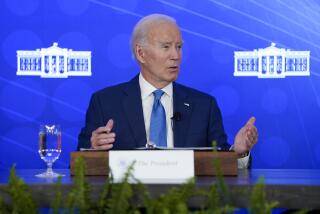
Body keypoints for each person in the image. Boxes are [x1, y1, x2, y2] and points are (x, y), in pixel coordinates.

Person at [78, 14, 258, 168]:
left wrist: (238, 152)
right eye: (166, 47)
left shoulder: (204, 106)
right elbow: (79, 164)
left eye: (179, 47)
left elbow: (220, 163)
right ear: (141, 53)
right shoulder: (105, 102)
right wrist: (93, 149)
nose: (176, 56)